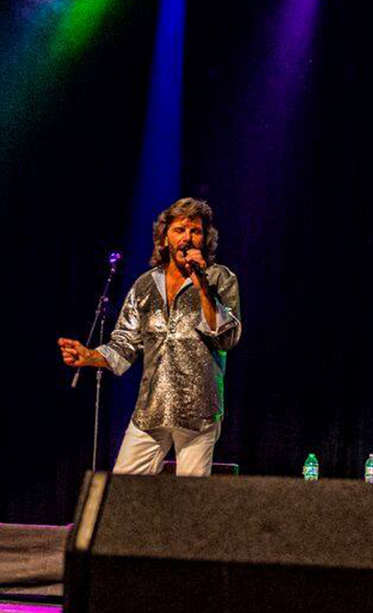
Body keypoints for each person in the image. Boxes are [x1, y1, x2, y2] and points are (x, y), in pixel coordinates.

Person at [59, 197, 242, 476]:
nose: (187, 238)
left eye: (195, 231)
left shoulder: (220, 279)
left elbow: (227, 338)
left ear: (205, 239)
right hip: (151, 408)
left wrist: (203, 287)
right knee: (123, 488)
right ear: (165, 238)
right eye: (180, 230)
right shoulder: (145, 285)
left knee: (190, 497)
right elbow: (125, 343)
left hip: (199, 411)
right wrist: (90, 356)